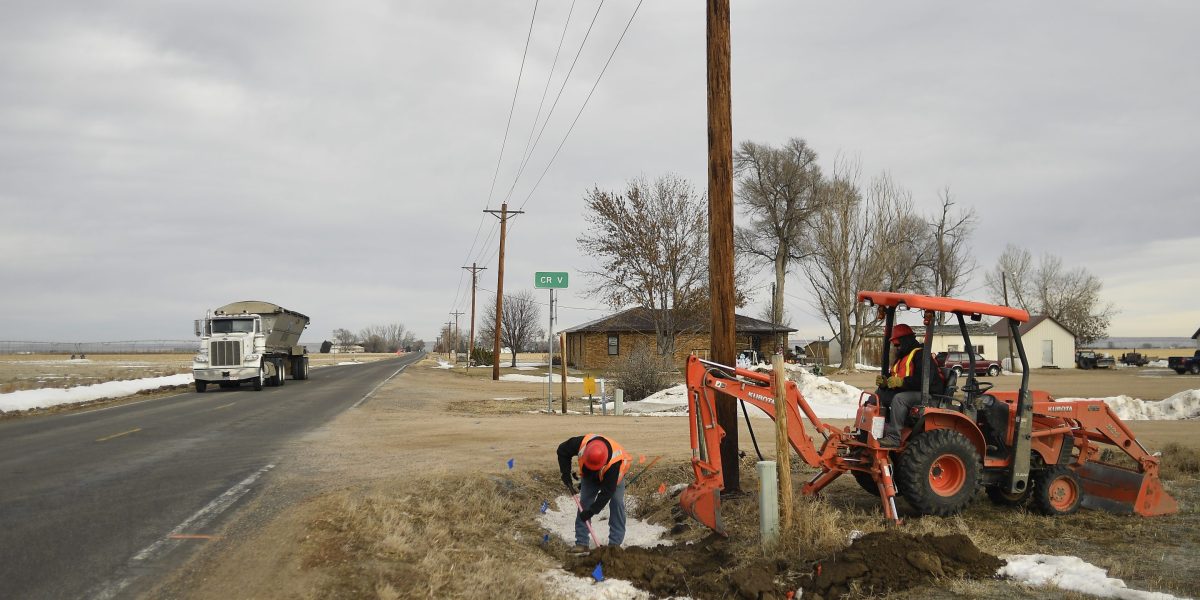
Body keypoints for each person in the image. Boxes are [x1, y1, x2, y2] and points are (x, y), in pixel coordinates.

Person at [557, 433, 632, 550]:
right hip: (589, 474)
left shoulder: (613, 464)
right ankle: (581, 542)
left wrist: (592, 511)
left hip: (615, 477)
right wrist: (565, 473)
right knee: (585, 502)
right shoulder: (580, 444)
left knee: (617, 502)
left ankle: (615, 544)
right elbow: (562, 451)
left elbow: (607, 493)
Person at [875, 324, 944, 446]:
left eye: (898, 345)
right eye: (895, 345)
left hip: (929, 394)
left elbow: (922, 381)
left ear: (905, 341)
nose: (896, 348)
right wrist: (885, 383)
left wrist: (902, 382)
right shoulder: (902, 357)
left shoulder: (921, 355)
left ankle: (894, 438)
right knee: (877, 396)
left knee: (899, 399)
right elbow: (895, 377)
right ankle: (872, 431)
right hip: (912, 391)